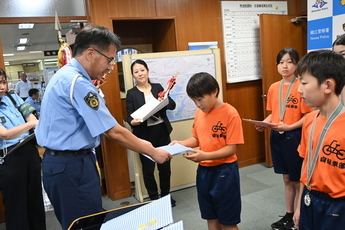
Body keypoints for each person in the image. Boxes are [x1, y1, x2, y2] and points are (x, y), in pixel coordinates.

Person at [35, 25, 172, 230]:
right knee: (85, 225)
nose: (110, 67)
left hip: (67, 162)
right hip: (71, 166)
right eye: (109, 59)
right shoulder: (78, 83)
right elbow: (113, 131)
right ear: (91, 53)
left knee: (87, 221)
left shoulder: (65, 75)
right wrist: (153, 152)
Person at [171, 72, 244, 230]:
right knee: (210, 217)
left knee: (227, 221)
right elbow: (197, 139)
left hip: (225, 172)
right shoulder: (199, 113)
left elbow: (231, 149)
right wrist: (180, 143)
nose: (197, 104)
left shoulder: (230, 114)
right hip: (204, 172)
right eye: (194, 100)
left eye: (200, 99)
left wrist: (205, 155)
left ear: (214, 91)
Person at [255, 48, 311, 230]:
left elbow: (308, 116)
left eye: (289, 61)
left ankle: (298, 215)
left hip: (294, 135)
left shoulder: (301, 86)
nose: (285, 66)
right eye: (281, 62)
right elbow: (274, 114)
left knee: (296, 180)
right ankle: (288, 215)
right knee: (286, 178)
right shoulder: (273, 87)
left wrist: (290, 127)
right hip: (277, 135)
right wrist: (264, 122)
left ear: (296, 64)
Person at [293, 50, 345, 230]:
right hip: (310, 199)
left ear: (328, 86)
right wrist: (299, 205)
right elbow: (306, 164)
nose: (299, 89)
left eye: (304, 82)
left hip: (338, 205)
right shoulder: (309, 120)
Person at [0, 68, 46, 230]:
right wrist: (31, 124)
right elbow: (5, 134)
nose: (2, 87)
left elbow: (30, 114)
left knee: (35, 199)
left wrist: (31, 122)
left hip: (28, 149)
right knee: (16, 204)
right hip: (9, 157)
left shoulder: (12, 97)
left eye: (4, 82)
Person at [126, 59, 176, 205]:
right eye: (136, 72)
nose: (140, 74)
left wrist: (165, 97)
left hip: (162, 132)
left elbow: (171, 105)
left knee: (165, 167)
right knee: (148, 170)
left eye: (142, 70)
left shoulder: (158, 87)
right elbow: (129, 116)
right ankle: (154, 199)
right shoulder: (131, 93)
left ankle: (166, 196)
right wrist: (132, 122)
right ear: (133, 75)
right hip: (144, 135)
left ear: (147, 71)